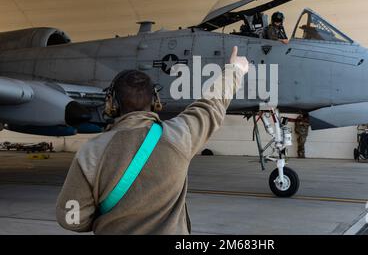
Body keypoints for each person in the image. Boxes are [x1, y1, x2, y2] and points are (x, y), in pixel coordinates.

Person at [56, 46, 249, 234]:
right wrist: (235, 70)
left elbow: (70, 219)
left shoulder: (91, 152)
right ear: (155, 101)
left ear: (112, 104)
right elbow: (211, 105)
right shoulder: (180, 136)